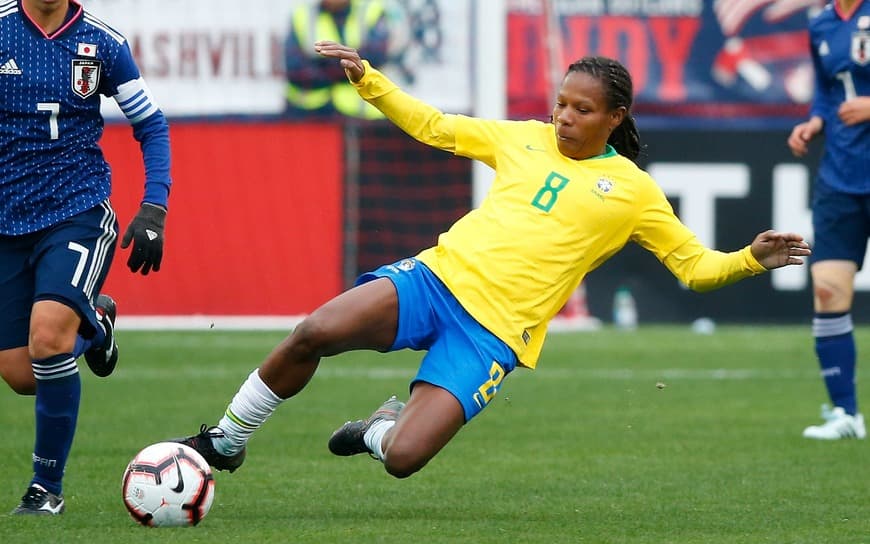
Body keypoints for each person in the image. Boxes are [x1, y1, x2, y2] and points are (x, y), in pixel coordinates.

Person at [176, 40, 811, 479]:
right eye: (561, 102)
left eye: (582, 110)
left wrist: (749, 259)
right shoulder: (522, 138)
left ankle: (378, 429)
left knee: (402, 460)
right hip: (435, 279)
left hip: (492, 337)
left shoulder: (635, 193)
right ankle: (228, 440)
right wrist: (368, 79)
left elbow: (694, 269)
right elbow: (433, 125)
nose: (563, 117)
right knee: (314, 331)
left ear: (615, 118)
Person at [1, 0, 172, 514]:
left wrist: (154, 206)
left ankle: (45, 489)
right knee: (22, 375)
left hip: (77, 211)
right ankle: (95, 322)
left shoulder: (104, 44)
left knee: (48, 338)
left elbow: (151, 124)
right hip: (8, 221)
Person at [787, 0, 870, 440]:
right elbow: (826, 87)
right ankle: (846, 415)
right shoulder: (821, 22)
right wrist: (815, 120)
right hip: (840, 177)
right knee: (827, 288)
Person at [284, 0, 389, 119]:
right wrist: (348, 66)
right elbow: (295, 68)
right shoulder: (302, 15)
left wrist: (321, 64)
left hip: (362, 118)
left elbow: (375, 57)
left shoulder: (371, 10)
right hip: (311, 115)